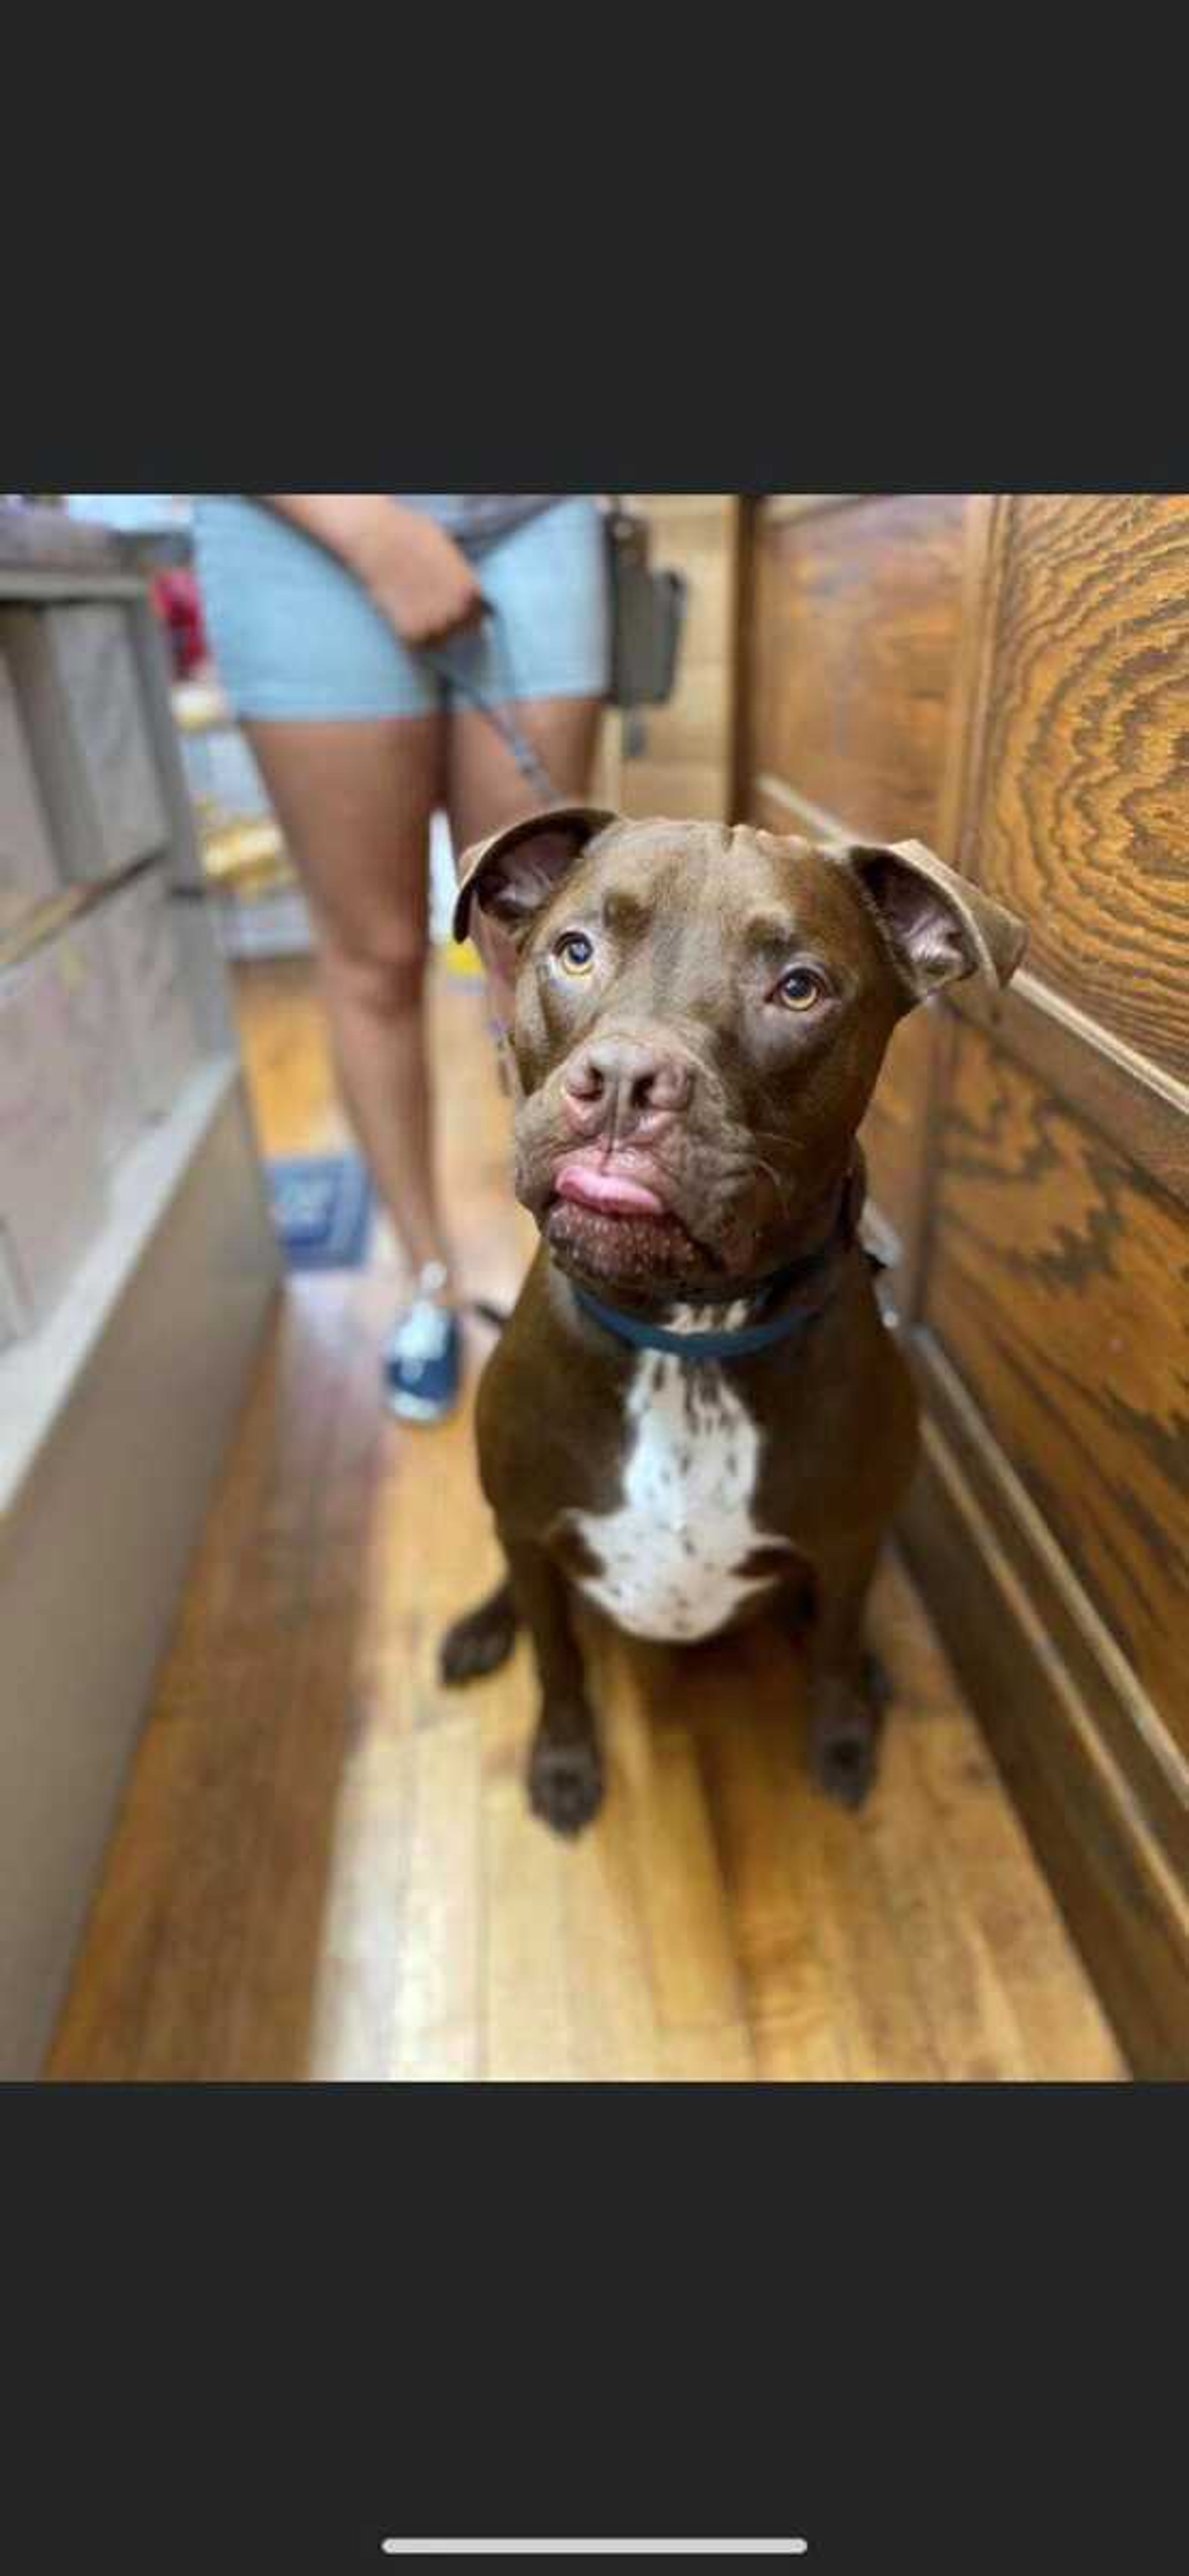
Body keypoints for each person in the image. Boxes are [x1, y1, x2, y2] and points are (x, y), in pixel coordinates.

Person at [191, 493, 610, 1421]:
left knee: (538, 945)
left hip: (536, 510)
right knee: (375, 954)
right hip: (301, 527)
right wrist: (365, 525)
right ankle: (432, 1284)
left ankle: (583, 1280)